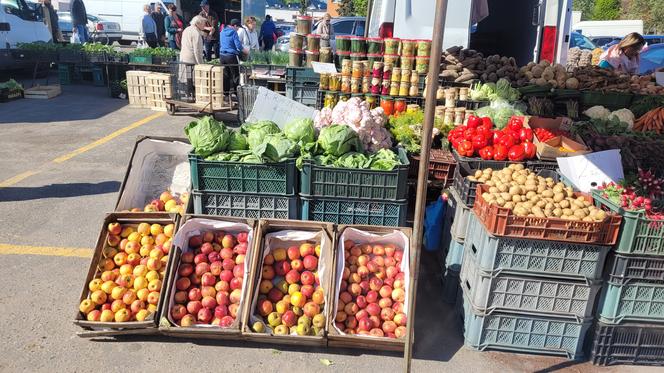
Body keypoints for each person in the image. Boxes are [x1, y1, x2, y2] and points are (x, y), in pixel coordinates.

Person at [219, 19, 248, 93]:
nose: (238, 29)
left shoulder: (222, 31)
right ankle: (236, 93)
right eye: (238, 27)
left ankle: (226, 94)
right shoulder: (234, 32)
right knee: (235, 75)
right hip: (231, 56)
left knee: (225, 75)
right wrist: (245, 51)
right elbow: (238, 45)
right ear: (234, 26)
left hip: (222, 56)